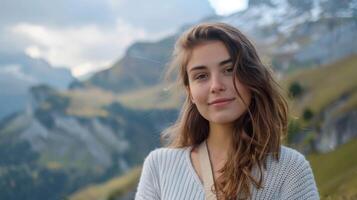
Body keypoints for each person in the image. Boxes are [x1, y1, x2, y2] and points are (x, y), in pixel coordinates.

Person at [135, 22, 319, 200]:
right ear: (189, 91)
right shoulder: (159, 166)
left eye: (229, 70)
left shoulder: (290, 169)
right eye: (201, 76)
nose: (216, 86)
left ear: (251, 77)